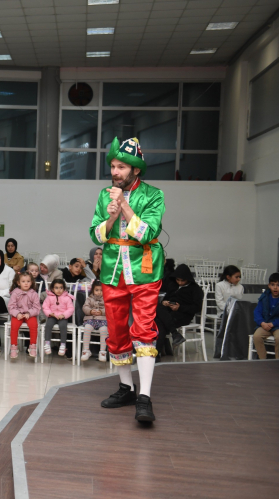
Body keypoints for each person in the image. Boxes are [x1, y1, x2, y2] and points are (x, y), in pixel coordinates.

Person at [90, 136, 165, 423]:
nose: (115, 172)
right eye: (112, 166)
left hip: (145, 269)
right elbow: (96, 234)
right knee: (117, 330)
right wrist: (110, 218)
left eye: (121, 167)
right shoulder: (103, 195)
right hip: (113, 270)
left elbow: (147, 233)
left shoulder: (154, 195)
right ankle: (126, 388)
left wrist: (124, 206)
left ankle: (144, 397)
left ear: (135, 169)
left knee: (144, 329)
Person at [154, 264, 203, 356]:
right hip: (169, 311)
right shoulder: (173, 285)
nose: (180, 282)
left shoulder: (195, 289)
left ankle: (158, 352)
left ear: (188, 279)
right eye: (178, 280)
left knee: (159, 321)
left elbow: (197, 308)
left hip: (183, 315)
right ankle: (174, 334)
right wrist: (164, 302)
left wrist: (180, 307)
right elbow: (166, 297)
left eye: (182, 280)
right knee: (157, 307)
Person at [7, 271, 41, 359]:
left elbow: (37, 307)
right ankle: (14, 347)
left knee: (34, 325)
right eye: (23, 281)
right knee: (14, 326)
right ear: (18, 283)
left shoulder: (34, 294)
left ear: (31, 282)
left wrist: (29, 313)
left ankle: (32, 346)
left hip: (29, 315)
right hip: (18, 315)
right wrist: (17, 314)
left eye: (28, 281)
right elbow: (11, 306)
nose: (26, 283)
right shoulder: (15, 293)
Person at [42, 279, 75, 357]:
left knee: (63, 326)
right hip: (52, 316)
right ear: (52, 289)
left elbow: (71, 309)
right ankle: (47, 343)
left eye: (61, 288)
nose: (59, 290)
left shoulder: (67, 298)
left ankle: (63, 344)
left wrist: (64, 315)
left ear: (64, 289)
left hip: (62, 317)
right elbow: (45, 307)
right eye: (56, 288)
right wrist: (50, 313)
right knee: (48, 325)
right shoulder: (49, 297)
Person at [252, 273, 279, 359]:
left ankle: (277, 361)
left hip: (277, 326)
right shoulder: (264, 297)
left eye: (278, 285)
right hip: (265, 324)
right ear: (269, 285)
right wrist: (262, 323)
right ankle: (263, 360)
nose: (275, 287)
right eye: (273, 285)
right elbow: (257, 312)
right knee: (257, 336)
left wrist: (273, 324)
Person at [80, 280, 108, 362]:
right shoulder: (89, 298)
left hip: (102, 320)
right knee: (87, 329)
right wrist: (90, 311)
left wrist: (102, 312)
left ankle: (102, 352)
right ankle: (86, 350)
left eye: (101, 290)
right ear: (92, 290)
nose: (99, 292)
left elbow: (109, 309)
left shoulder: (106, 299)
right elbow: (84, 307)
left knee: (104, 330)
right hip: (91, 319)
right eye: (96, 290)